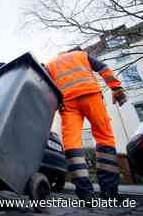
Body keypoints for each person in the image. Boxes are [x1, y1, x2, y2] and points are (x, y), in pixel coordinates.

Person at [46, 47, 127, 201]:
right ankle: (109, 192)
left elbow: (47, 86)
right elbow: (103, 68)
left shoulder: (51, 64)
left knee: (71, 144)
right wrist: (116, 87)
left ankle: (85, 194)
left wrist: (56, 102)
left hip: (68, 103)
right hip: (91, 96)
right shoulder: (82, 55)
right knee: (104, 138)